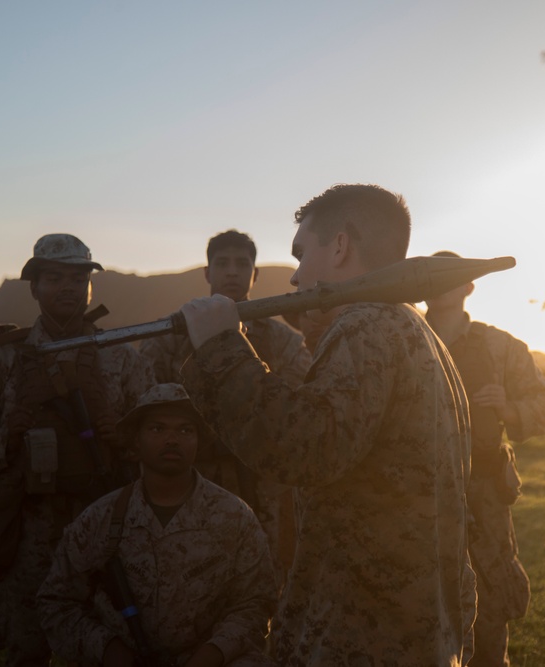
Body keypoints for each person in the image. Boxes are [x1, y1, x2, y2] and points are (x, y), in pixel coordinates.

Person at [177, 184, 477, 666]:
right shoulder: (413, 330)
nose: (295, 276)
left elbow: (304, 448)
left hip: (364, 635)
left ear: (339, 247)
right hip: (406, 627)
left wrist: (221, 348)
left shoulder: (366, 325)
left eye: (301, 253)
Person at [0, 233, 154, 667]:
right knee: (27, 648)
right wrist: (4, 439)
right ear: (34, 286)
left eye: (78, 278)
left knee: (110, 644)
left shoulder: (120, 356)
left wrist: (127, 440)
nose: (68, 288)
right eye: (54, 278)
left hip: (104, 526)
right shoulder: (1, 359)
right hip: (27, 534)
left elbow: (160, 434)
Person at [37, 383, 276, 667]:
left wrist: (208, 657)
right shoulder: (100, 519)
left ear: (199, 441)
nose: (171, 439)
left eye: (185, 430)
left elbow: (256, 603)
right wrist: (110, 650)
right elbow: (57, 602)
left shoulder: (234, 516)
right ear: (135, 441)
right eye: (157, 429)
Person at [140, 230, 311, 587]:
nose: (232, 272)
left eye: (242, 263)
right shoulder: (172, 333)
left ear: (255, 274)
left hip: (265, 487)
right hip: (191, 484)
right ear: (207, 272)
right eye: (222, 263)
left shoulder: (283, 341)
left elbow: (295, 407)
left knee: (264, 584)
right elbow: (148, 404)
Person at [424, 250, 545, 667]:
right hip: (416, 499)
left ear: (469, 287)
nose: (441, 284)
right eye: (432, 275)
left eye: (452, 277)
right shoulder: (402, 338)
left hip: (483, 500)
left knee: (488, 612)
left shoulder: (499, 347)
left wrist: (509, 408)